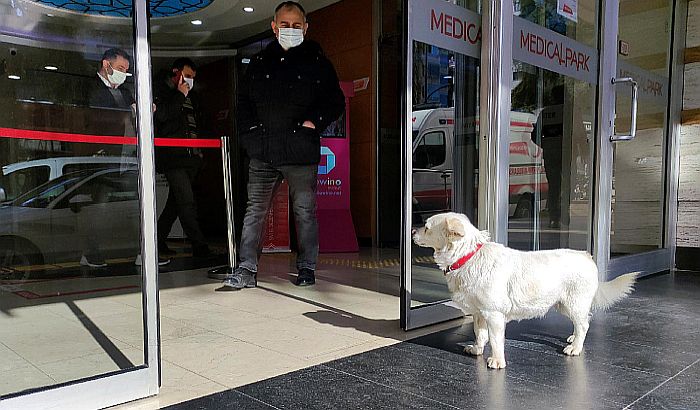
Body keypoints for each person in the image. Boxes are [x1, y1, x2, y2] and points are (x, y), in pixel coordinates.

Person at [222, 1, 345, 289]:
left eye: (296, 24)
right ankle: (246, 270)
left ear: (305, 27)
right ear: (274, 26)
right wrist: (251, 136)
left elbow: (335, 101)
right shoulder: (258, 62)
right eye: (285, 24)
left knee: (305, 211)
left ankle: (306, 268)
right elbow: (243, 105)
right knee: (255, 211)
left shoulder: (318, 63)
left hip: (300, 151)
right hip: (263, 152)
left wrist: (314, 121)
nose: (290, 29)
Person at [85, 48, 170, 268]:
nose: (124, 74)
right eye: (121, 69)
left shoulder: (124, 92)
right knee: (100, 208)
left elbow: (132, 117)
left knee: (137, 205)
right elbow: (94, 118)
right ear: (106, 65)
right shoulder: (90, 87)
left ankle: (143, 252)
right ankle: (91, 252)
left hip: (128, 157)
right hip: (104, 159)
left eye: (126, 70)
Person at [153, 57, 213, 258]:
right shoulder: (160, 91)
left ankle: (158, 240)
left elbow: (197, 123)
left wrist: (200, 150)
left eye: (193, 77)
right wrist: (179, 95)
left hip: (192, 157)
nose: (189, 80)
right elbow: (161, 117)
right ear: (175, 72)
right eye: (187, 76)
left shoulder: (193, 96)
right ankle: (200, 246)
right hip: (173, 158)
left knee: (176, 203)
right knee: (186, 202)